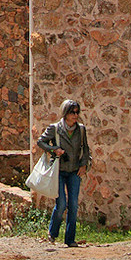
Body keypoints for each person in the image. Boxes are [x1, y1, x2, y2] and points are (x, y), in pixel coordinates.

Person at [37, 99, 91, 247]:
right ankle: (52, 233)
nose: (75, 115)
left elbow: (85, 149)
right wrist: (54, 149)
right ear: (65, 113)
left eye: (77, 112)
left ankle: (70, 239)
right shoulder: (55, 128)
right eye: (72, 112)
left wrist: (84, 164)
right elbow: (40, 141)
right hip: (59, 171)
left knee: (73, 204)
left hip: (74, 171)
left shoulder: (81, 130)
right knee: (61, 204)